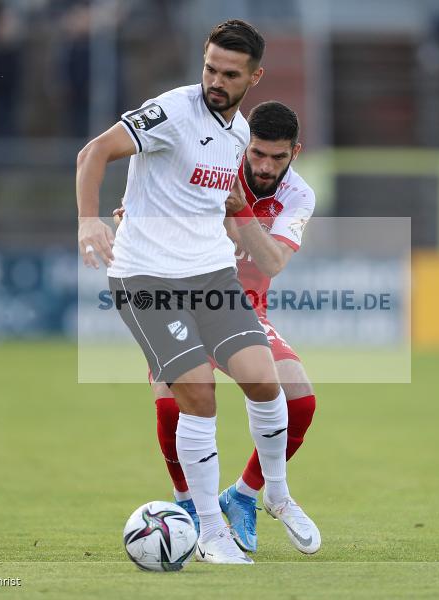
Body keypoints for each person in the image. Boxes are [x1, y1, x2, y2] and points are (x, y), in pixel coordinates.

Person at [76, 20, 320, 564]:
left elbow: (202, 198)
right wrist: (91, 219)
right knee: (198, 397)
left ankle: (270, 494)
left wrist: (175, 210)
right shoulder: (172, 111)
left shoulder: (237, 136)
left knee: (265, 381)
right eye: (210, 67)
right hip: (149, 279)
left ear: (253, 79)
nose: (215, 79)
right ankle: (209, 529)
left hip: (210, 277)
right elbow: (93, 152)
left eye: (229, 73)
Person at [116, 101, 316, 554]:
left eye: (277, 157)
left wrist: (240, 212)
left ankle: (245, 496)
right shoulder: (211, 165)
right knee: (173, 406)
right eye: (257, 153)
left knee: (300, 398)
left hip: (244, 312)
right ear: (244, 144)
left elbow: (272, 261)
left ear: (295, 153)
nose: (265, 166)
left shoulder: (299, 197)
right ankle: (186, 507)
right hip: (180, 302)